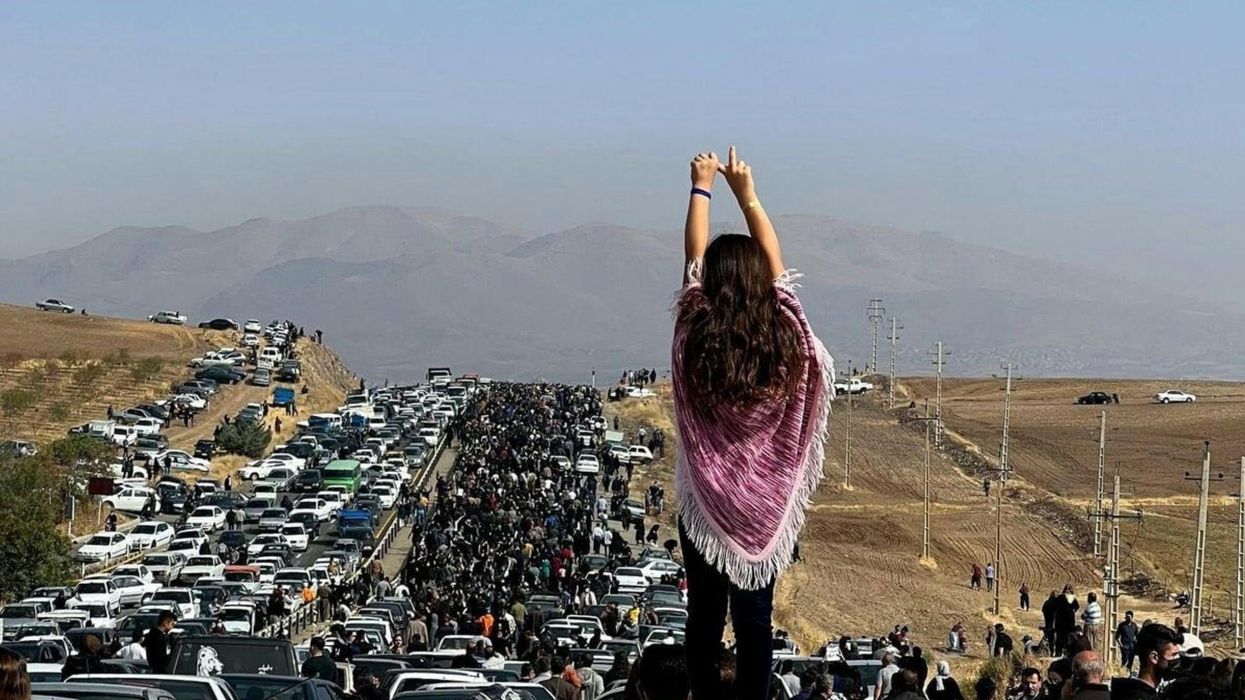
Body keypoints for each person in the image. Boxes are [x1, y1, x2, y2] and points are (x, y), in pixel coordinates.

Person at [673, 147, 833, 700]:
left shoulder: (694, 334)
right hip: (764, 506)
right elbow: (778, 268)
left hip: (705, 504)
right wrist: (749, 194)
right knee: (755, 619)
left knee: (704, 616)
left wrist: (702, 186)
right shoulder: (786, 335)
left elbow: (693, 261)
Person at [1110, 623, 1181, 700]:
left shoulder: (1130, 691)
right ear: (1154, 657)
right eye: (1174, 654)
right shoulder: (1137, 696)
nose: (1178, 659)